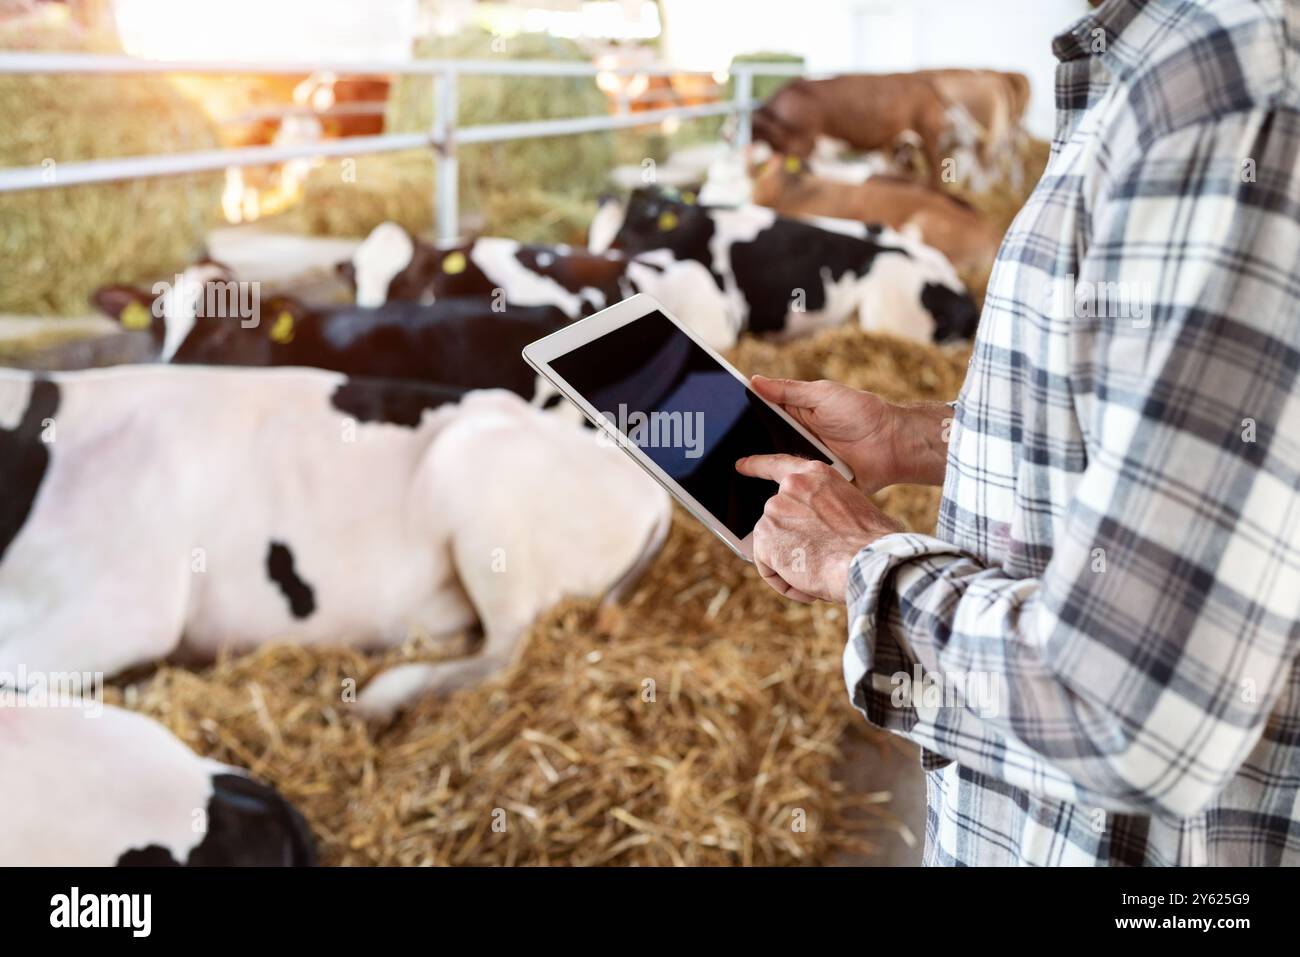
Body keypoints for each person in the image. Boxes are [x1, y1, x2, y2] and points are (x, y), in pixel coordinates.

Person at [735, 0, 1300, 865]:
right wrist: (909, 436)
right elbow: (1157, 437)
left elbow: (1129, 709)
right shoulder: (1162, 65)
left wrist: (860, 561)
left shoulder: (1225, 84)